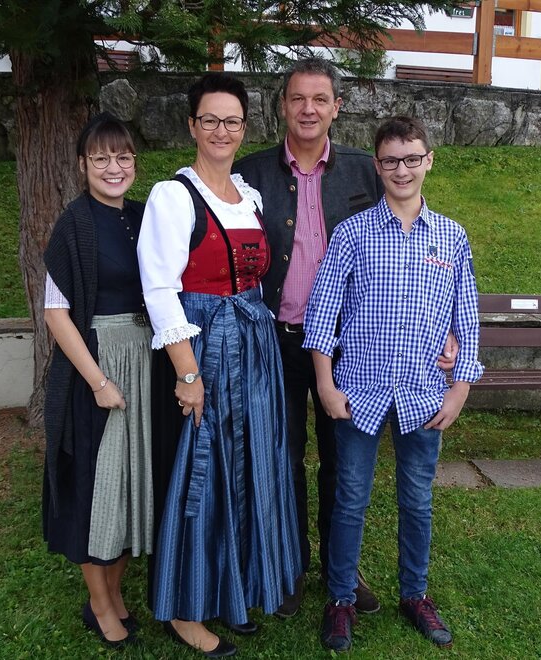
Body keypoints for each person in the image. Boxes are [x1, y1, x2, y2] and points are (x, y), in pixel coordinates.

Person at [233, 58, 458, 617]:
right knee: (282, 457)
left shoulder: (365, 169)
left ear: (336, 107)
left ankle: (343, 572)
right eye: (297, 98)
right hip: (277, 341)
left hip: (350, 351)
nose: (308, 109)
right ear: (283, 106)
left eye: (320, 99)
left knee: (343, 466)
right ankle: (289, 566)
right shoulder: (252, 174)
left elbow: (414, 250)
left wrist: (447, 330)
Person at [303, 116, 484, 652]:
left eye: (411, 159)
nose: (401, 170)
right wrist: (325, 383)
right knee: (350, 499)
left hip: (424, 394)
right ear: (377, 166)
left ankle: (414, 594)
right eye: (390, 161)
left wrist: (459, 390)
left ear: (428, 161)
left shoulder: (451, 237)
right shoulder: (353, 234)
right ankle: (340, 599)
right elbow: (322, 312)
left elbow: (467, 319)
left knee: (417, 500)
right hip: (358, 392)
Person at [138, 72, 301, 658]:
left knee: (248, 466)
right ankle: (186, 609)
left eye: (232, 121)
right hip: (204, 347)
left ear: (244, 127)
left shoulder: (247, 195)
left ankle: (231, 591)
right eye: (210, 120)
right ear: (192, 126)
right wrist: (188, 374)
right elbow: (159, 290)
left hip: (253, 349)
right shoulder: (173, 196)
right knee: (201, 471)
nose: (221, 131)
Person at [42, 113, 151, 649]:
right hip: (99, 366)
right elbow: (56, 313)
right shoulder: (74, 224)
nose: (114, 167)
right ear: (83, 165)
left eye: (123, 157)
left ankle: (113, 590)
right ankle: (101, 605)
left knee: (132, 483)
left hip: (145, 363)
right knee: (96, 486)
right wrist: (98, 381)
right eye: (101, 158)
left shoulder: (144, 215)